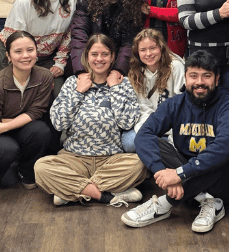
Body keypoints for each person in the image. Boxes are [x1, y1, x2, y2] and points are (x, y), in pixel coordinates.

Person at [121, 51, 229, 234]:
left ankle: (165, 203)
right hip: (185, 168)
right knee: (155, 143)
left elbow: (226, 146)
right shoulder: (175, 103)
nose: (199, 82)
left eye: (206, 76)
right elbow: (144, 135)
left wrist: (180, 173)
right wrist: (162, 171)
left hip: (219, 178)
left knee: (222, 154)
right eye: (193, 76)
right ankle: (208, 201)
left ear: (217, 79)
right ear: (185, 78)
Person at [34, 34, 147, 206]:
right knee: (41, 167)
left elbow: (127, 122)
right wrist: (78, 92)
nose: (99, 59)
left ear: (113, 57)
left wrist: (115, 89)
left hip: (111, 159)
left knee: (140, 163)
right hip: (74, 157)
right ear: (86, 56)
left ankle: (72, 190)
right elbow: (58, 123)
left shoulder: (123, 84)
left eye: (105, 54)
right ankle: (104, 194)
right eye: (94, 54)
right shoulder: (73, 82)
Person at [0, 31, 54, 189]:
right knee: (5, 156)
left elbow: (36, 112)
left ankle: (26, 173)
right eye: (18, 51)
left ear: (36, 52)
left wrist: (6, 126)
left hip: (7, 125)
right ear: (9, 56)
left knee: (40, 130)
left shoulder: (45, 76)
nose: (25, 56)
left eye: (30, 50)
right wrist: (19, 121)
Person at [0, 0, 77, 100]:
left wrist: (59, 63)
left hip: (47, 57)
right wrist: (28, 66)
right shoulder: (25, 0)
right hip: (16, 53)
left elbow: (69, 33)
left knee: (58, 94)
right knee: (23, 95)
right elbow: (13, 39)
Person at [70, 0, 146, 76]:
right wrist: (82, 71)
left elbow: (129, 42)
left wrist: (118, 70)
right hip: (90, 60)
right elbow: (79, 35)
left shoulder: (132, 2)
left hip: (118, 62)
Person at [122, 28, 185, 153]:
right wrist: (150, 131)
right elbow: (142, 107)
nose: (148, 54)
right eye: (143, 50)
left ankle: (159, 148)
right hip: (150, 124)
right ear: (137, 52)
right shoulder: (135, 72)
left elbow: (181, 104)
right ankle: (157, 148)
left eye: (152, 48)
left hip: (173, 126)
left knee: (178, 144)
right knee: (129, 143)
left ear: (161, 47)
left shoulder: (176, 66)